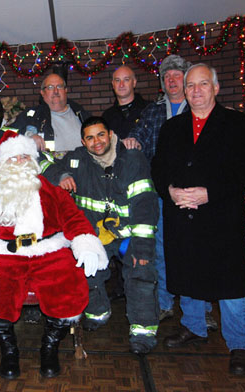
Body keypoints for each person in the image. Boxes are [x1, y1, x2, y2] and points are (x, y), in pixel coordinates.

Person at [0, 132, 108, 379]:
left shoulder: (49, 188)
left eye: (25, 156)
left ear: (33, 160)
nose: (19, 162)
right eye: (14, 157)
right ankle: (9, 351)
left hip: (48, 250)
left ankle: (49, 348)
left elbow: (73, 217)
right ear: (4, 162)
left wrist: (86, 244)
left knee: (69, 285)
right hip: (6, 252)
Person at [151, 63, 245, 376]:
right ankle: (194, 327)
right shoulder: (172, 127)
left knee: (230, 284)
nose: (196, 91)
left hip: (220, 217)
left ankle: (239, 344)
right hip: (181, 216)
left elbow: (244, 168)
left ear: (215, 87)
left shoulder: (238, 124)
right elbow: (159, 167)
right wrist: (169, 190)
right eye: (190, 86)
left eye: (202, 84)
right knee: (188, 274)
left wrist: (209, 193)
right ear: (184, 91)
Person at [128, 55, 217, 329]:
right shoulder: (153, 112)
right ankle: (165, 304)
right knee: (162, 248)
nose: (171, 80)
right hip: (163, 193)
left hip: (198, 196)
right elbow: (139, 138)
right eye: (166, 77)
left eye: (177, 76)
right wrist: (131, 141)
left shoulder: (202, 111)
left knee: (200, 251)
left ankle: (202, 310)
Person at [58, 116, 159, 354]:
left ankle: (143, 332)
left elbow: (145, 205)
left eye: (101, 135)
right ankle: (98, 312)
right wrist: (61, 177)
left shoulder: (132, 159)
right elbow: (48, 166)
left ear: (111, 134)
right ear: (83, 142)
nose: (97, 142)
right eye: (90, 138)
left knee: (141, 274)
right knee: (87, 269)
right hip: (96, 234)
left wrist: (142, 249)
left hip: (129, 234)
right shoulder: (77, 160)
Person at [101, 64, 149, 300]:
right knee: (118, 232)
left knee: (141, 237)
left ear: (134, 82)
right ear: (112, 85)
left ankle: (141, 288)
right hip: (116, 185)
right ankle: (121, 286)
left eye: (126, 80)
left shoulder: (148, 110)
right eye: (117, 80)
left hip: (142, 185)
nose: (121, 84)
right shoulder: (107, 117)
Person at [11, 73, 90, 154]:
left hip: (84, 165)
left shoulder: (82, 115)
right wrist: (27, 136)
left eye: (59, 86)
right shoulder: (30, 116)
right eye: (50, 87)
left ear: (66, 90)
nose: (56, 91)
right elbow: (5, 136)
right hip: (49, 165)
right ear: (42, 92)